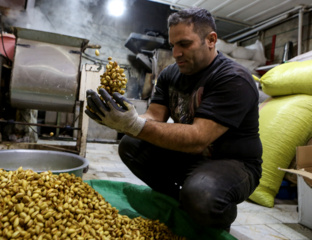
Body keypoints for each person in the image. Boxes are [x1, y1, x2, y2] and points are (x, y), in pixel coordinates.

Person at [85, 7, 262, 231]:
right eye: (173, 45)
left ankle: (215, 211)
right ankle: (179, 202)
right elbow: (154, 117)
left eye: (185, 44)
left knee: (202, 195)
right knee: (131, 145)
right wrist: (124, 118)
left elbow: (199, 138)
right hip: (189, 156)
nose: (176, 53)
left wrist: (134, 125)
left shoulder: (233, 79)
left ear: (211, 39)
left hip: (233, 163)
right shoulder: (171, 74)